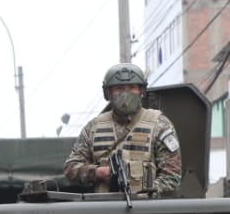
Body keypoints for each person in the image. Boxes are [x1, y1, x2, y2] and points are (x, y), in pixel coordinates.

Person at [64, 63, 183, 197]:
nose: (126, 93)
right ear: (108, 93)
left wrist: (148, 193)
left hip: (147, 210)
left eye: (132, 87)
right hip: (102, 210)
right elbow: (71, 168)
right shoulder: (94, 127)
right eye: (119, 88)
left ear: (141, 91)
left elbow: (172, 176)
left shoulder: (159, 125)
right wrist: (98, 172)